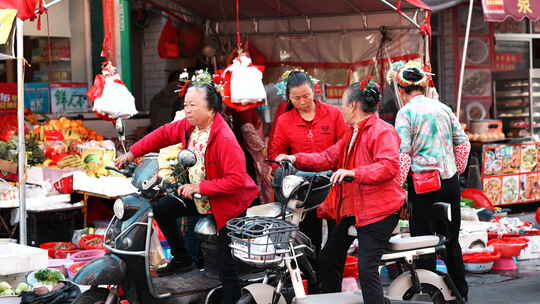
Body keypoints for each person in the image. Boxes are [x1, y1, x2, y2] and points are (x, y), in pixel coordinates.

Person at [115, 72, 259, 304]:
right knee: (162, 208)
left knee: (225, 264)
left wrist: (199, 186)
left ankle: (230, 299)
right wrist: (132, 153)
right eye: (185, 105)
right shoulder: (190, 126)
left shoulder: (224, 137)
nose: (188, 110)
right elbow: (162, 135)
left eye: (193, 105)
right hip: (202, 195)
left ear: (211, 109)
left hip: (226, 203)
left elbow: (237, 180)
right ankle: (182, 258)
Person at [276, 79, 404, 304]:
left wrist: (354, 173)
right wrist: (295, 158)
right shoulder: (352, 132)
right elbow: (326, 157)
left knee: (367, 270)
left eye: (344, 104)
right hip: (356, 209)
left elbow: (388, 166)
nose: (342, 109)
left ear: (353, 105)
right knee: (327, 259)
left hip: (379, 213)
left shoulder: (382, 131)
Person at [393, 61, 470, 302]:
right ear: (424, 87)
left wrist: (398, 189)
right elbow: (463, 143)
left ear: (401, 89)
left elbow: (403, 155)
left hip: (423, 185)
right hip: (448, 184)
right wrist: (452, 171)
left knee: (423, 243)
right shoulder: (443, 108)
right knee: (451, 242)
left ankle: (430, 294)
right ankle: (460, 294)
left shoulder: (405, 113)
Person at [269, 70, 348, 257]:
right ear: (288, 98)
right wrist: (282, 171)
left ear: (314, 91)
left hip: (334, 185)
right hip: (303, 190)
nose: (302, 102)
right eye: (296, 98)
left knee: (337, 240)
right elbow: (276, 154)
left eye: (306, 96)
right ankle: (312, 282)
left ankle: (332, 279)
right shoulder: (284, 121)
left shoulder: (334, 114)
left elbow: (344, 146)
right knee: (308, 240)